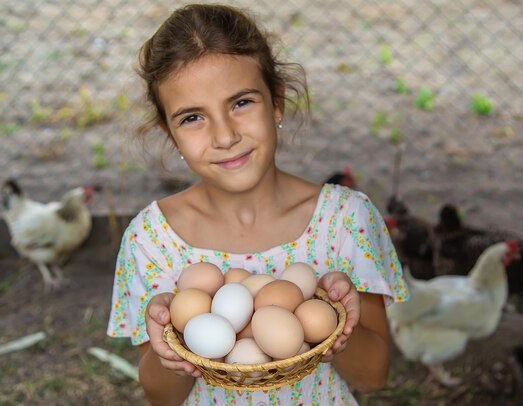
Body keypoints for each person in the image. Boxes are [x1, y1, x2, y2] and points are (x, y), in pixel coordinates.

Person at [106, 4, 408, 405]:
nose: (225, 135)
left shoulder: (345, 220)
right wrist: (168, 349)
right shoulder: (151, 238)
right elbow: (162, 398)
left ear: (277, 102)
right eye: (193, 117)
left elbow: (373, 378)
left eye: (241, 103)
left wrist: (338, 324)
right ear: (170, 132)